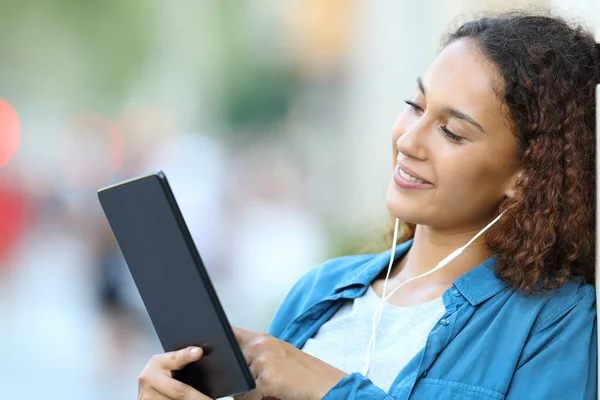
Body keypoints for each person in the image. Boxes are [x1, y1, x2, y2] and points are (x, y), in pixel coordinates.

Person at [136, 12, 599, 400]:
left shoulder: (555, 321)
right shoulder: (319, 291)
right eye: (415, 106)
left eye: (452, 132)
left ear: (526, 175)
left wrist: (330, 388)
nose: (409, 140)